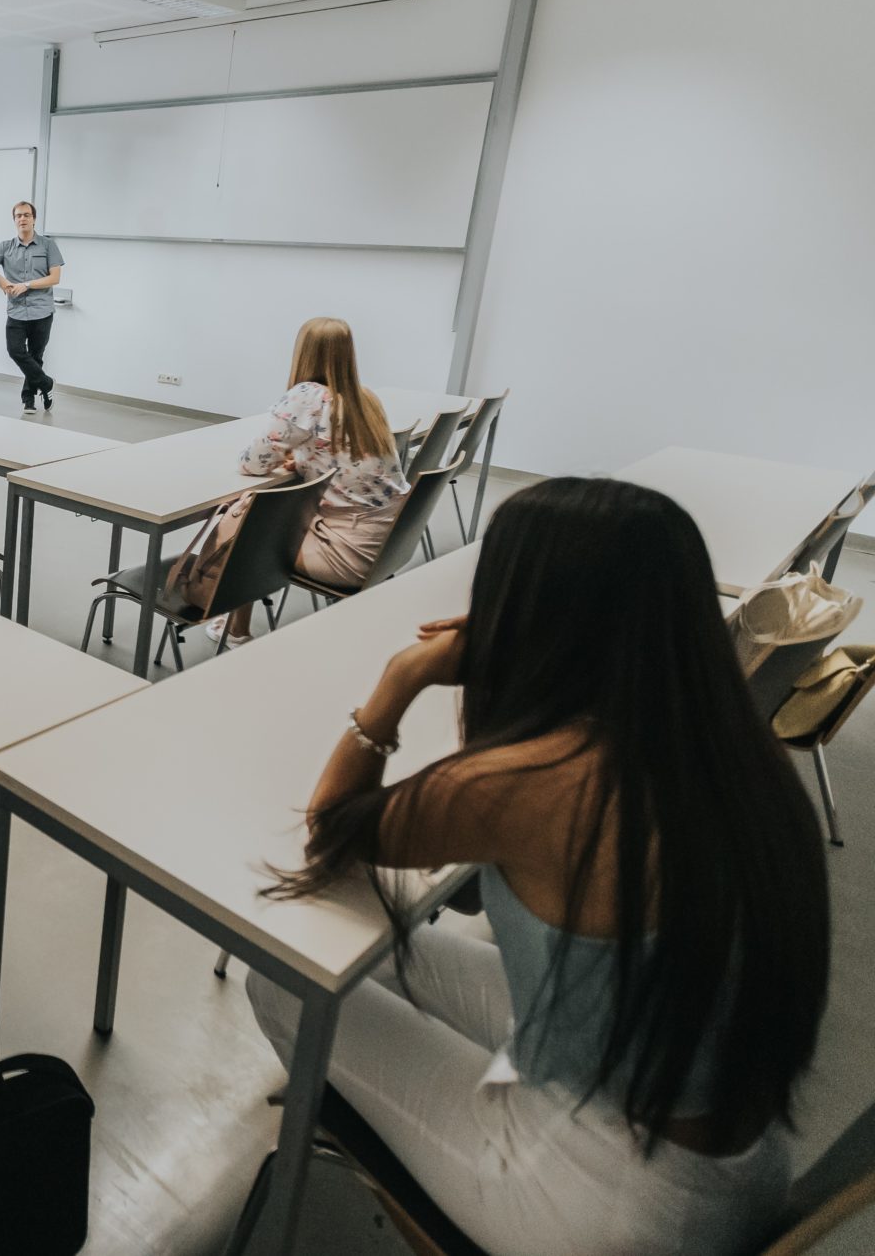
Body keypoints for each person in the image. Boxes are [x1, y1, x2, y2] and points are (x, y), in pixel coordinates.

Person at [247, 477, 829, 1256]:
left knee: (284, 981)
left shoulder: (533, 780)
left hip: (605, 1201)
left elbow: (335, 831)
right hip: (728, 1160)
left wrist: (402, 677)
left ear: (530, 609)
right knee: (373, 958)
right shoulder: (728, 747)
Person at [216, 317, 408, 643]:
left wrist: (287, 459)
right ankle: (231, 625)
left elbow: (251, 463)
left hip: (345, 556)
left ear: (303, 353)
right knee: (261, 513)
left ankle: (234, 629)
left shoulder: (308, 396)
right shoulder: (367, 400)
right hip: (388, 547)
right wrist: (303, 459)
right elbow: (341, 455)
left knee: (241, 517)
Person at [0, 200, 63, 414]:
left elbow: (55, 278)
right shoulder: (6, 247)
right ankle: (46, 383)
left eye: (27, 215)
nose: (22, 219)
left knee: (35, 355)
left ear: (34, 219)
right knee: (15, 351)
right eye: (18, 216)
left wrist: (27, 285)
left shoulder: (47, 245)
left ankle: (29, 399)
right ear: (14, 220)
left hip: (42, 311)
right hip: (16, 311)